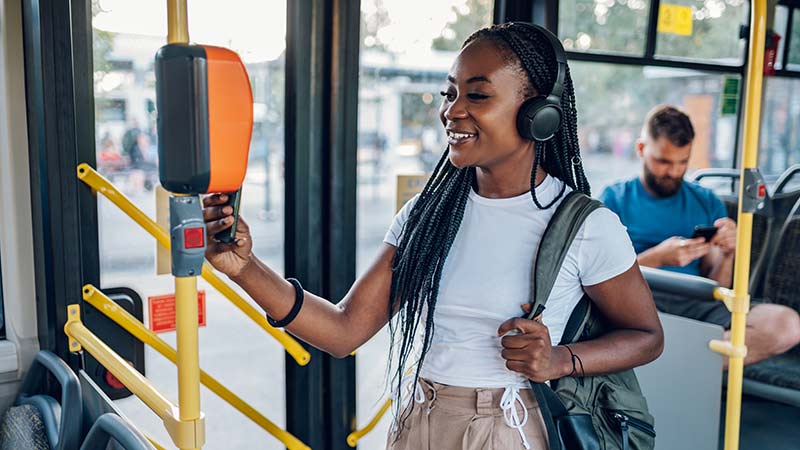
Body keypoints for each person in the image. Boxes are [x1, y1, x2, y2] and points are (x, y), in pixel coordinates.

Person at [204, 23, 663, 449]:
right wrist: (245, 269)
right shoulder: (427, 216)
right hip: (420, 416)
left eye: (477, 96)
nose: (452, 110)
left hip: (509, 425)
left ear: (538, 115)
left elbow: (647, 335)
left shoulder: (584, 225)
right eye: (450, 93)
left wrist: (562, 359)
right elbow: (344, 331)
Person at [599, 104, 800, 367]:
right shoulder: (614, 198)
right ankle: (688, 362)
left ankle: (684, 363)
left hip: (697, 303)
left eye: (682, 162)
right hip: (639, 303)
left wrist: (729, 253)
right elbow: (601, 279)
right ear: (641, 149)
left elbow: (716, 282)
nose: (673, 172)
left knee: (786, 325)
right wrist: (658, 258)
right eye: (663, 161)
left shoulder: (706, 201)